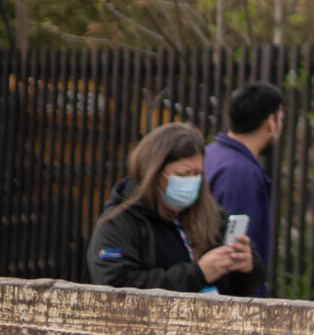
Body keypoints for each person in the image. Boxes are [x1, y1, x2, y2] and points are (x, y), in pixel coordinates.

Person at [87, 122, 257, 294]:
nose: (192, 181)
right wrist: (198, 274)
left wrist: (247, 267)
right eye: (183, 174)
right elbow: (116, 288)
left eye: (197, 173)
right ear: (153, 173)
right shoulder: (119, 223)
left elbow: (240, 288)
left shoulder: (211, 213)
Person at [204, 80, 283, 299]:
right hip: (232, 301)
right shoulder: (241, 172)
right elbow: (237, 252)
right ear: (271, 123)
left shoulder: (211, 154)